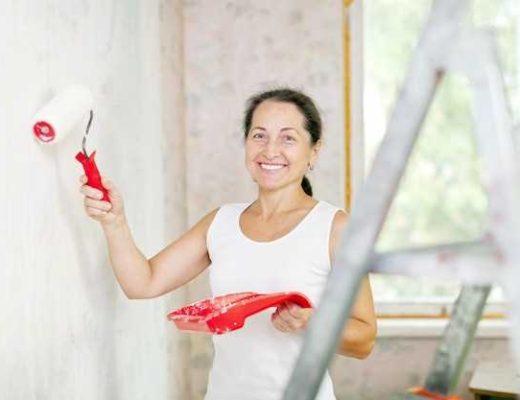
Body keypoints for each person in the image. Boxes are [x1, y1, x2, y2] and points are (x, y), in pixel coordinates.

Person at [79, 88, 377, 400]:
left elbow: (365, 339)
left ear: (314, 151)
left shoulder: (336, 228)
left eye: (288, 138)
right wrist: (115, 222)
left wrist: (311, 322)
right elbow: (142, 283)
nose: (270, 150)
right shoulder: (220, 223)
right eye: (259, 135)